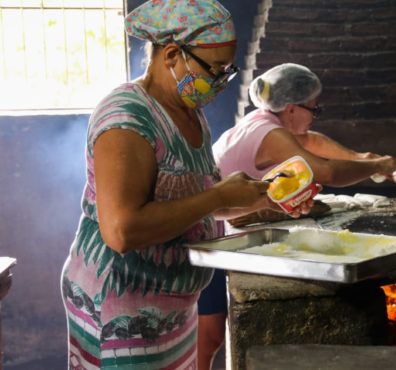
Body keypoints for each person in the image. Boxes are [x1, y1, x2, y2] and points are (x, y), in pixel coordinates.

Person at [59, 1, 292, 369]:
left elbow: (199, 203)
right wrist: (218, 194)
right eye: (214, 70)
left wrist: (265, 200)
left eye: (226, 71)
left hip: (171, 308)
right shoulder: (126, 118)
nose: (219, 81)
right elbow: (122, 230)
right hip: (122, 306)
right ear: (171, 55)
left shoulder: (189, 114)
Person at [197, 63, 396, 368]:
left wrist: (361, 158)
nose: (315, 114)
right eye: (314, 108)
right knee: (209, 334)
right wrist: (377, 166)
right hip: (207, 226)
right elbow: (328, 172)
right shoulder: (269, 134)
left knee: (211, 332)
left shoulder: (264, 119)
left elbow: (311, 141)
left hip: (217, 221)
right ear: (292, 109)